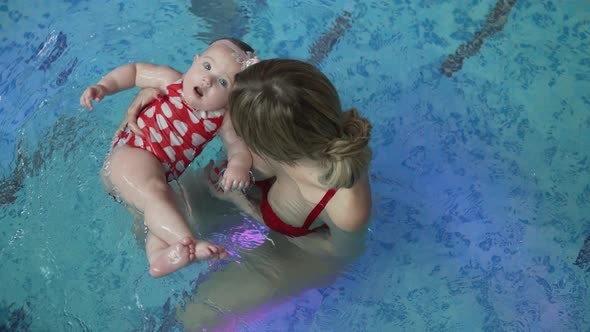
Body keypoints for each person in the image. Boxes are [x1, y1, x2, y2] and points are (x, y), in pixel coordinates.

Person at [127, 59, 372, 330]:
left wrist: (245, 206)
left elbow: (340, 254)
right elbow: (209, 75)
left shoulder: (346, 203)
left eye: (236, 126)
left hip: (292, 250)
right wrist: (158, 96)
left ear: (266, 143)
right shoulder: (271, 91)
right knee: (152, 217)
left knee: (194, 316)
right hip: (245, 192)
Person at [79, 38, 260, 278]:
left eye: (223, 82)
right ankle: (190, 243)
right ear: (195, 61)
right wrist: (103, 86)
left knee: (169, 206)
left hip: (156, 175)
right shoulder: (170, 80)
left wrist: (237, 166)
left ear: (232, 99)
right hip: (132, 155)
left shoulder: (222, 119)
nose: (208, 79)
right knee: (157, 195)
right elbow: (135, 72)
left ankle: (158, 256)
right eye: (207, 66)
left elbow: (238, 149)